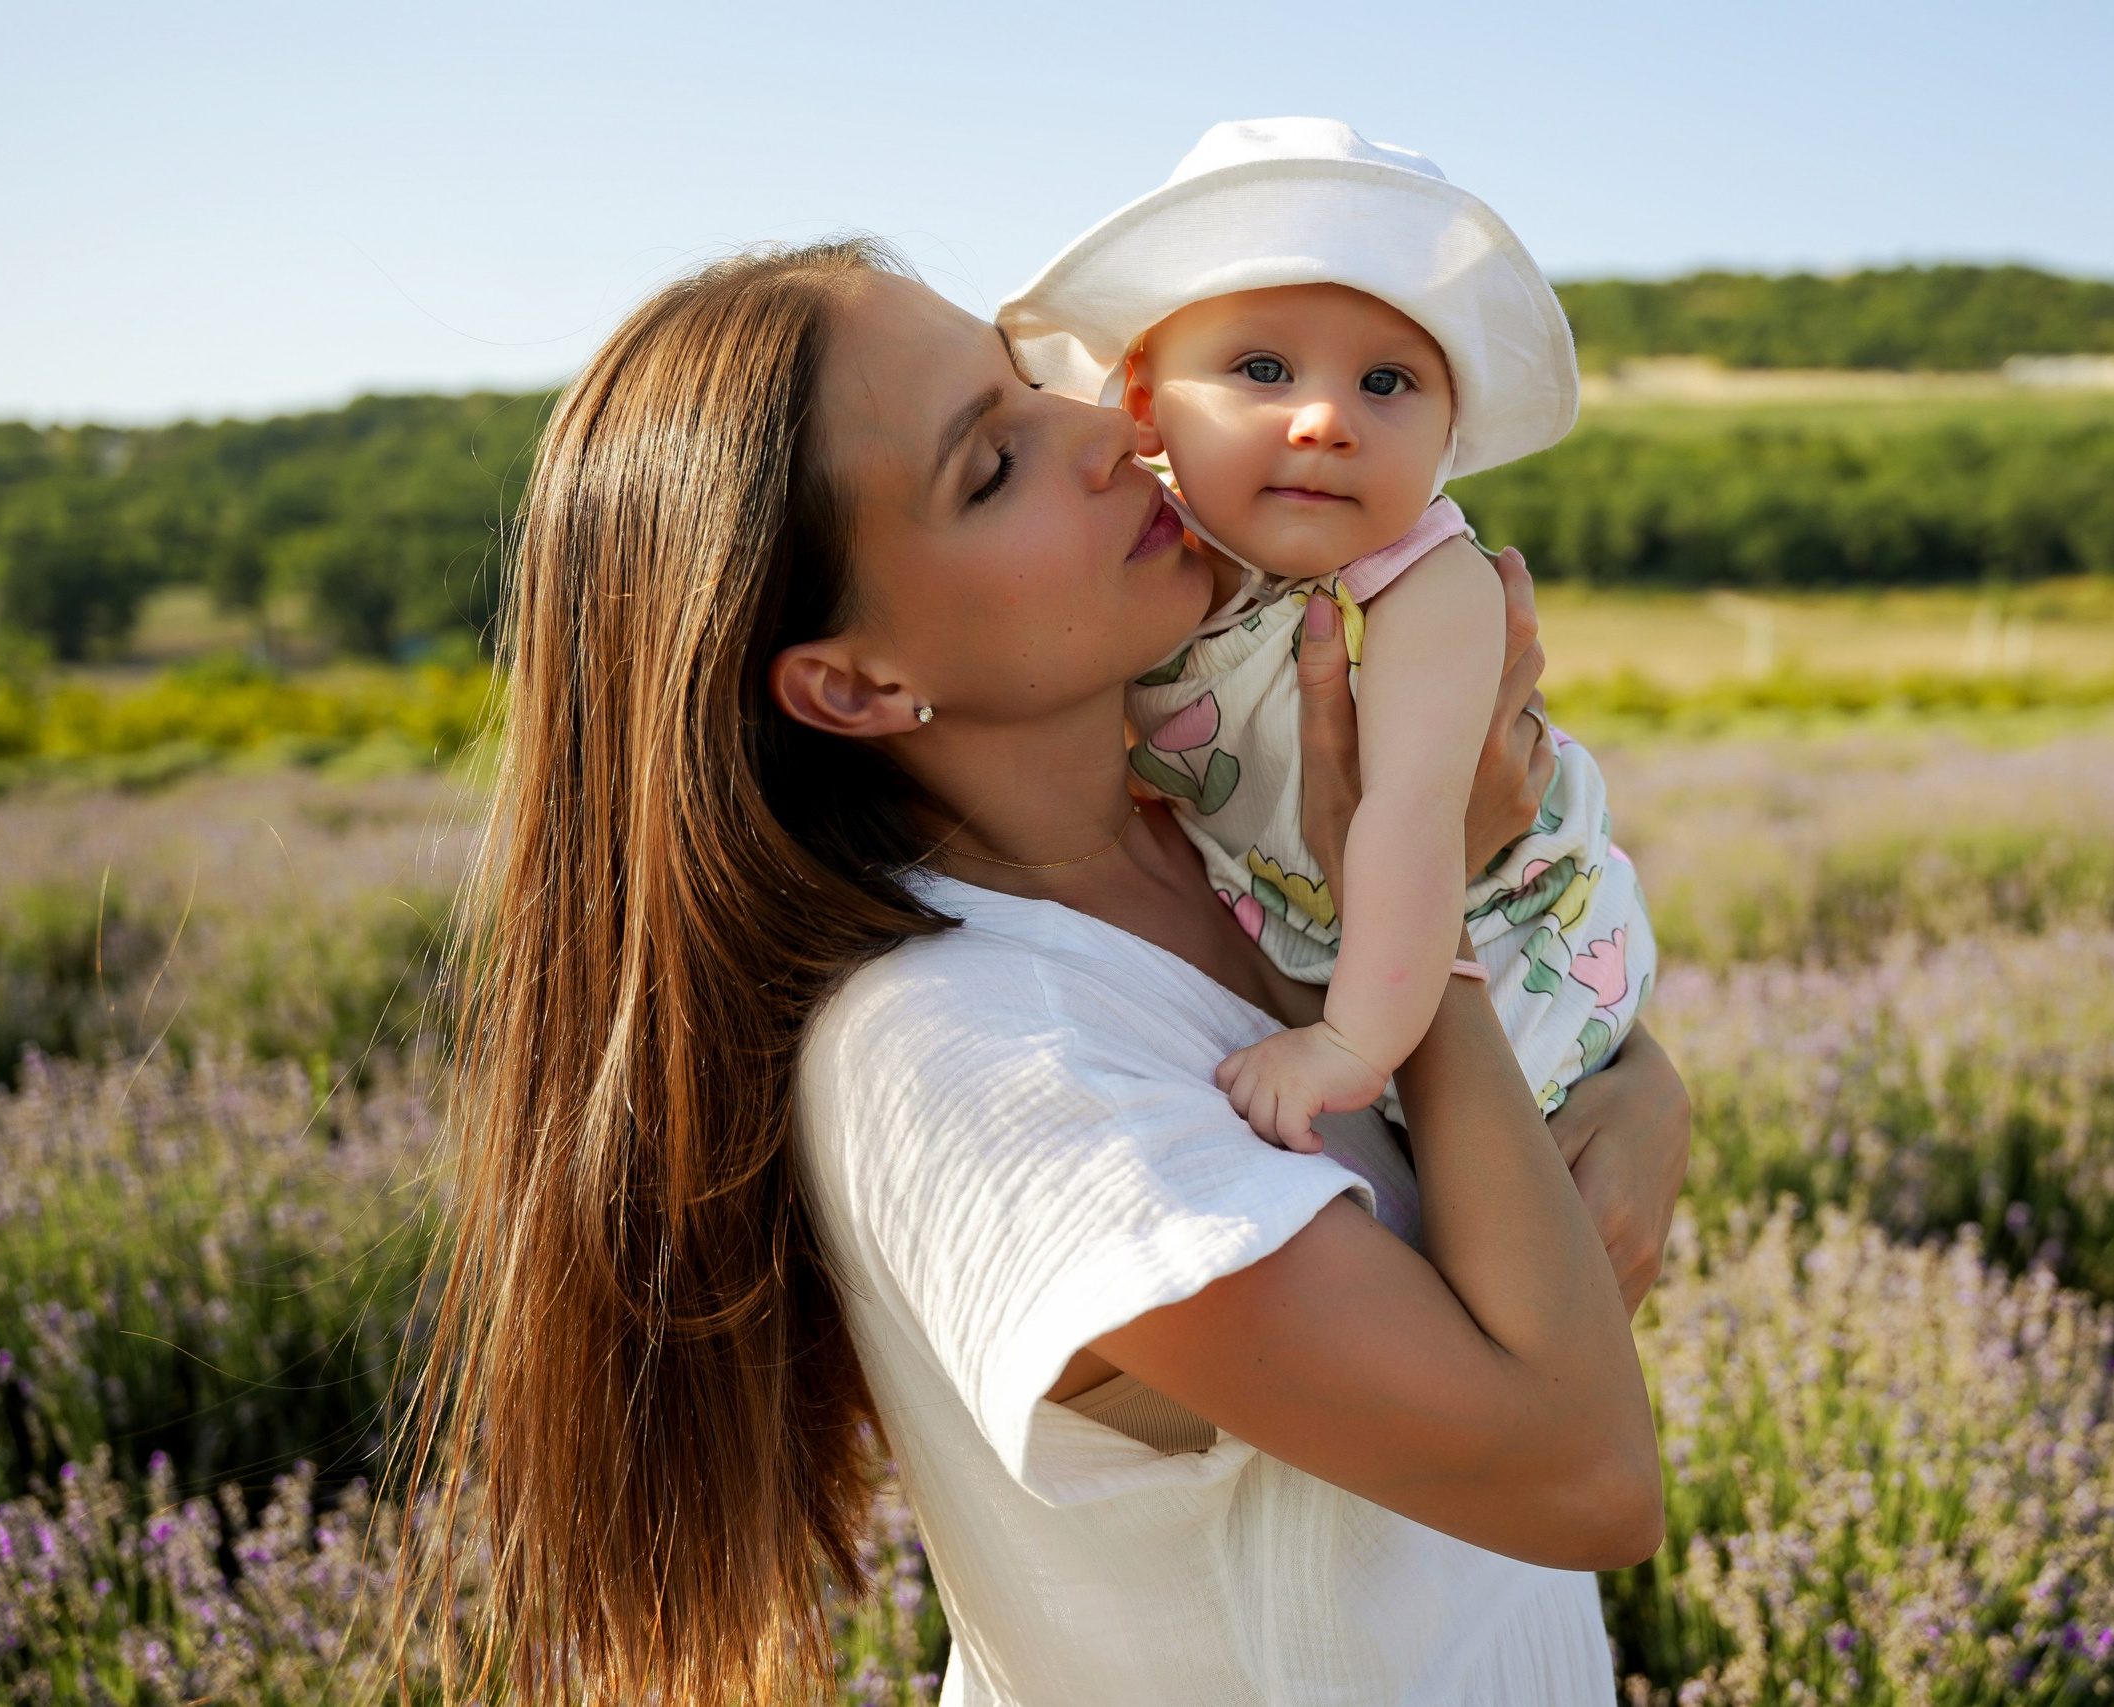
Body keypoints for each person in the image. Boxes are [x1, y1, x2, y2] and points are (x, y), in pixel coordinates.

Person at [411, 235, 1690, 1707]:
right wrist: (1416, 933)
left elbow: (1542, 1105)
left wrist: (1646, 1081)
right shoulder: (972, 1051)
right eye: (991, 464)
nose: (1105, 431)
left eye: (1030, 386)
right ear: (857, 682)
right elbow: (1585, 1473)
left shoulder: (1211, 833)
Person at [1000, 118, 1659, 1146]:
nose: (1324, 421)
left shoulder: (1421, 583)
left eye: (1387, 383)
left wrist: (1351, 1043)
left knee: (1478, 1215)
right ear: (1141, 401)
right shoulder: (1134, 565)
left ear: (1449, 434)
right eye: (1261, 370)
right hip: (1321, 949)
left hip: (1513, 951)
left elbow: (1414, 814)